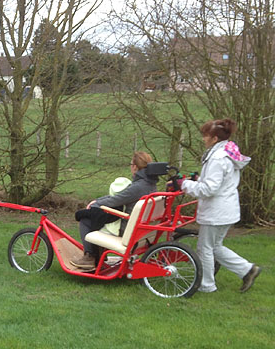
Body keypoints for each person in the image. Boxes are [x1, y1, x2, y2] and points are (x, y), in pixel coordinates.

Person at [178, 118, 261, 293]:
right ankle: (247, 270)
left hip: (217, 211)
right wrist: (196, 180)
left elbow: (209, 189)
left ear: (214, 138)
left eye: (205, 135)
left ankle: (206, 285)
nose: (203, 139)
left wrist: (183, 184)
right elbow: (217, 182)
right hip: (226, 209)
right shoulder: (228, 152)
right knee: (215, 246)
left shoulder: (217, 158)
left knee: (205, 248)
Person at [71, 151, 158, 270]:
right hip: (142, 229)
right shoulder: (150, 184)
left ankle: (89, 257)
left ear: (135, 167)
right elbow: (121, 196)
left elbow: (116, 200)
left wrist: (96, 204)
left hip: (129, 229)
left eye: (131, 164)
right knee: (101, 217)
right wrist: (98, 200)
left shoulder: (138, 186)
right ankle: (99, 256)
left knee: (86, 219)